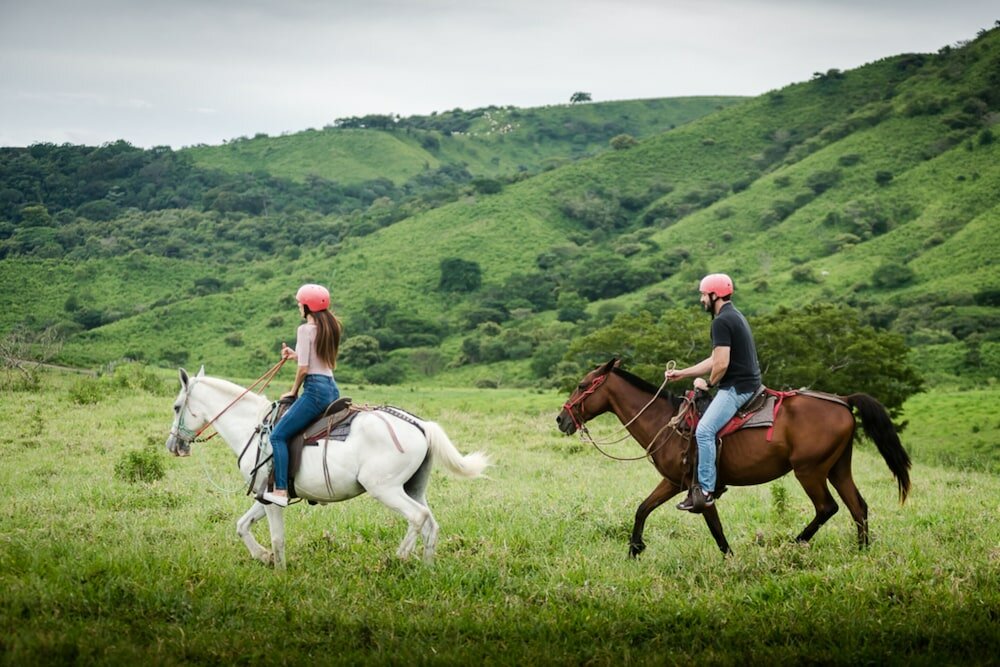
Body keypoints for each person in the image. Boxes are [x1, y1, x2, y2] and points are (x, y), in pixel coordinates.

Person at [664, 273, 761, 513]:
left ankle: (705, 490)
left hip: (737, 388)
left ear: (714, 295)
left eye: (703, 295)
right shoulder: (733, 315)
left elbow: (721, 365)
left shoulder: (720, 321)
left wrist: (708, 383)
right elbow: (715, 358)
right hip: (748, 383)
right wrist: (683, 373)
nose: (701, 300)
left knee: (705, 430)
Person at [261, 284, 342, 507]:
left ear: (307, 306)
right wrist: (295, 355)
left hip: (314, 390)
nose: (298, 306)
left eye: (300, 303)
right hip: (332, 388)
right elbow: (316, 360)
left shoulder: (305, 329)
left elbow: (305, 369)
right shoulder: (330, 326)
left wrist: (293, 390)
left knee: (277, 435)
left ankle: (280, 490)